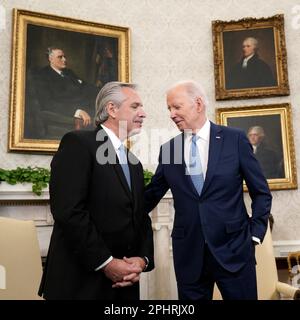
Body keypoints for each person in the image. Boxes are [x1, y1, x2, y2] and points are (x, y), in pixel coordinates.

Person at [145, 80, 272, 300]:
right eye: (169, 109)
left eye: (176, 107)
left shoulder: (235, 139)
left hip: (234, 251)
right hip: (189, 255)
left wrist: (255, 234)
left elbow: (260, 192)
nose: (171, 114)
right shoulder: (169, 149)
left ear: (198, 104)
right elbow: (151, 195)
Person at [38, 82, 154, 300]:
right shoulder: (78, 143)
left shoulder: (134, 163)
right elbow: (69, 211)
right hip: (81, 284)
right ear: (112, 109)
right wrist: (107, 263)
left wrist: (142, 259)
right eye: (136, 106)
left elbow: (140, 216)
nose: (143, 113)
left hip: (124, 286)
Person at [33, 47, 98, 137]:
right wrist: (77, 111)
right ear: (50, 59)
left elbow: (85, 87)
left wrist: (104, 92)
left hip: (87, 108)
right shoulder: (42, 75)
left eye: (64, 56)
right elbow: (48, 103)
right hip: (66, 113)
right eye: (60, 57)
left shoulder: (68, 72)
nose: (64, 60)